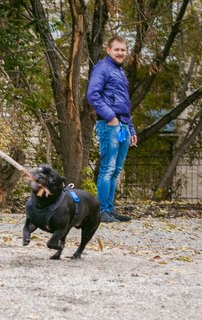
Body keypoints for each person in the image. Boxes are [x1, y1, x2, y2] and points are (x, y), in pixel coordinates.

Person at [86, 35, 138, 223]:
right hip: (109, 124)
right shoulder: (102, 68)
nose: (120, 53)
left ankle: (109, 209)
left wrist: (131, 129)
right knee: (107, 168)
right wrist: (110, 117)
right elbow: (92, 94)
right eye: (117, 49)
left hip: (122, 124)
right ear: (108, 50)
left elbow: (125, 103)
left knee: (116, 170)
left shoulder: (120, 72)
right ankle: (100, 211)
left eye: (123, 50)